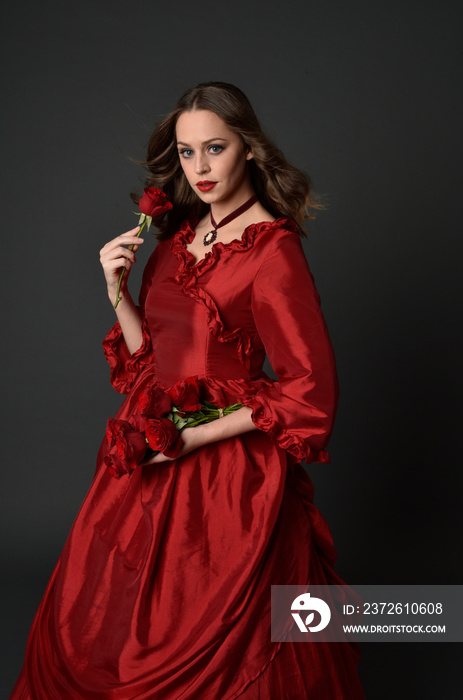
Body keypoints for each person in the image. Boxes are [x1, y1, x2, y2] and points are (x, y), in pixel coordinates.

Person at [11, 82, 365, 699]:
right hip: (147, 449)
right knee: (105, 620)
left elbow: (311, 392)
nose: (199, 168)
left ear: (249, 150)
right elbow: (149, 359)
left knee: (221, 634)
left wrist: (190, 434)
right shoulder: (179, 236)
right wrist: (115, 287)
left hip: (223, 470)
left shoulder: (273, 252)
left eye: (215, 149)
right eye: (185, 153)